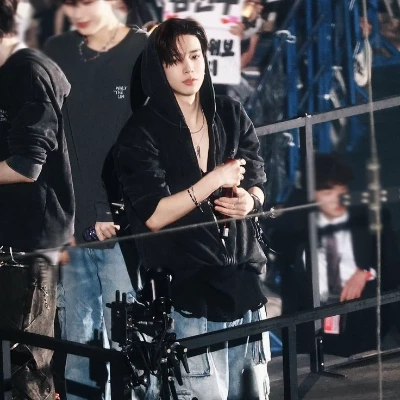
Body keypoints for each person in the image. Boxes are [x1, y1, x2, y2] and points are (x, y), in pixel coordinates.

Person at [115, 17, 270, 400]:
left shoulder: (231, 113)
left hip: (243, 283)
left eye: (195, 56)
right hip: (187, 294)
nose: (188, 67)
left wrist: (250, 200)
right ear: (158, 66)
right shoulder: (141, 132)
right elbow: (154, 215)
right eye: (175, 59)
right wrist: (214, 180)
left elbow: (258, 180)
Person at [44, 1, 147, 398]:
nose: (78, 11)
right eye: (71, 3)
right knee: (77, 342)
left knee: (130, 342)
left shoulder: (141, 50)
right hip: (73, 221)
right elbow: (54, 139)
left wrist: (110, 206)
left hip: (123, 223)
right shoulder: (58, 50)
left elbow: (149, 138)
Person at [0, 0, 74, 398]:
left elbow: (27, 164)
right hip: (15, 243)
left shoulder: (27, 71)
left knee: (28, 376)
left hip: (26, 249)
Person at [270, 153, 400, 356]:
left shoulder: (370, 221)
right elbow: (278, 247)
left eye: (342, 188)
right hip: (311, 332)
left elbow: (392, 268)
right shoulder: (297, 229)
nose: (338, 197)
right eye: (328, 191)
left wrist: (365, 272)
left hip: (363, 326)